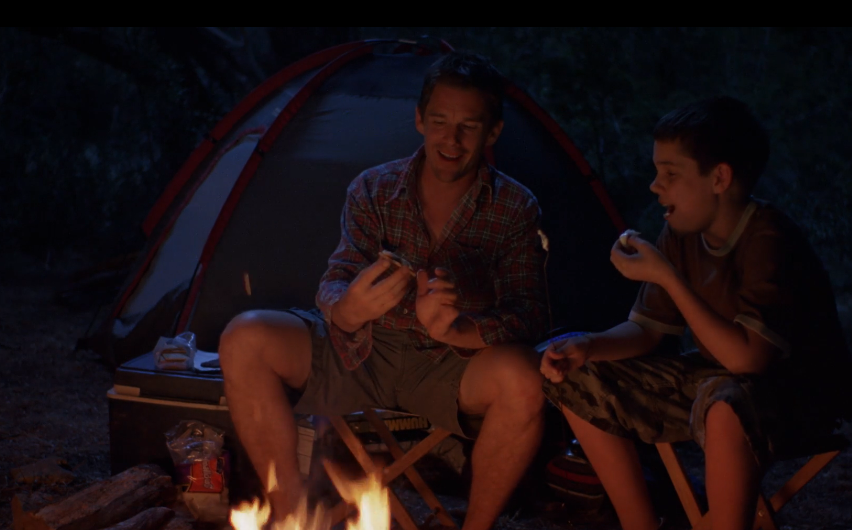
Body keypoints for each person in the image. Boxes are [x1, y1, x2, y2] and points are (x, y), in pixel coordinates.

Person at [220, 51, 549, 530]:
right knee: (245, 336)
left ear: (492, 132)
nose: (451, 140)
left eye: (468, 127)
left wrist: (459, 329)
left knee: (526, 377)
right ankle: (291, 514)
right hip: (362, 350)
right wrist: (348, 309)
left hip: (452, 366)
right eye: (440, 122)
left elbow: (532, 315)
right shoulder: (374, 188)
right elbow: (337, 278)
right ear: (419, 120)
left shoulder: (515, 206)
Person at [540, 96, 852, 530]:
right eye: (656, 172)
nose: (655, 186)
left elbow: (748, 360)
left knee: (725, 405)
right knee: (578, 374)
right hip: (718, 380)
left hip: (796, 396)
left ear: (719, 178)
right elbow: (647, 331)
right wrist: (588, 346)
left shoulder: (768, 239)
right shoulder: (681, 233)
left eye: (670, 174)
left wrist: (668, 277)